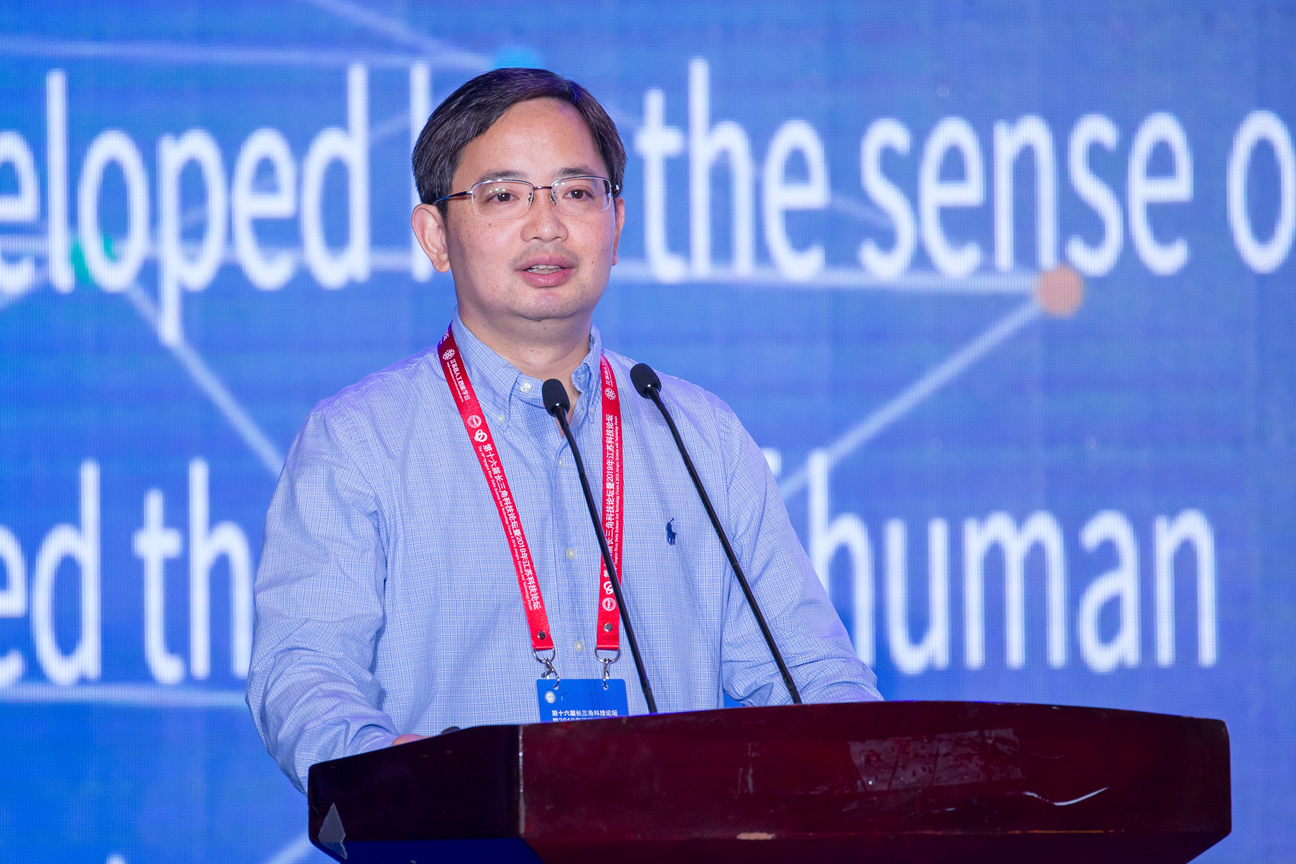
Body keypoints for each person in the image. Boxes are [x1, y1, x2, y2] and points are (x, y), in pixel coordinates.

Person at [246, 67, 880, 793]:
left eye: (576, 192)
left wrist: (878, 776)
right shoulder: (358, 441)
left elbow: (813, 679)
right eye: (504, 195)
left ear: (617, 223)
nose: (546, 224)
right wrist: (395, 777)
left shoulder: (698, 437)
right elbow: (304, 674)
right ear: (435, 236)